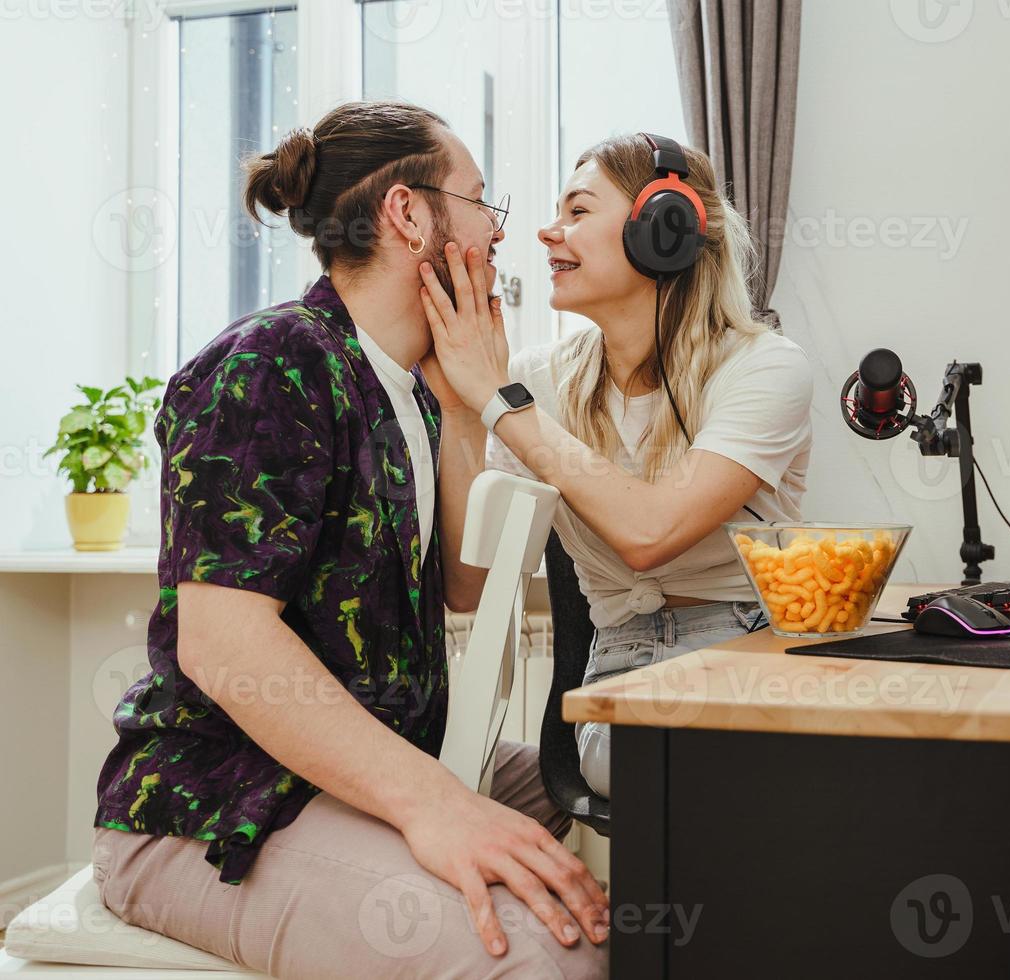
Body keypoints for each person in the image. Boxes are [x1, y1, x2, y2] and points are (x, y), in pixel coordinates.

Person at [92, 100, 608, 978]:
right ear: (410, 214)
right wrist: (436, 804)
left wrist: (460, 402)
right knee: (544, 956)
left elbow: (464, 587)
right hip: (218, 805)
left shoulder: (400, 386)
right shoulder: (271, 364)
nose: (498, 235)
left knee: (610, 795)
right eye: (483, 205)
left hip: (362, 761)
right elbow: (225, 646)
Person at [424, 132, 813, 799]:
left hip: (753, 647)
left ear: (666, 228)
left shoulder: (765, 368)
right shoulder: (534, 385)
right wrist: (463, 410)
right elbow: (466, 581)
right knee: (671, 767)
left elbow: (650, 533)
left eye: (577, 211)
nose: (548, 233)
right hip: (620, 670)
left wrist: (499, 402)